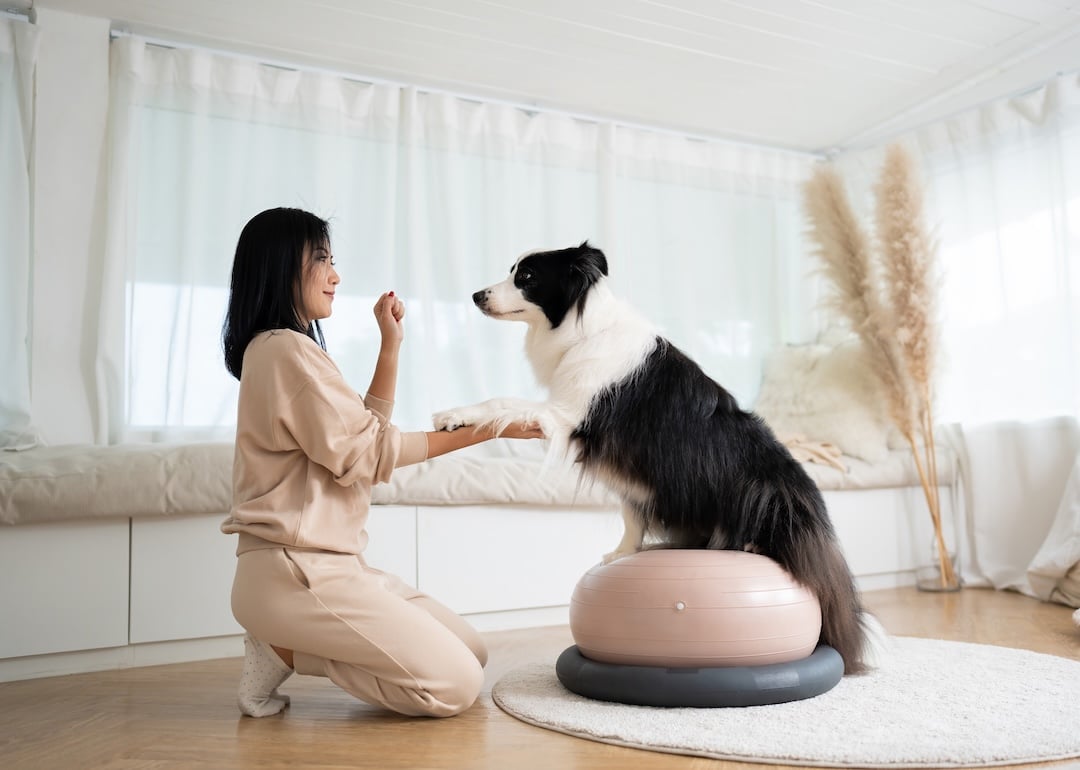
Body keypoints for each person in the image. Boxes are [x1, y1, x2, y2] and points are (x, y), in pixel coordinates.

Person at [219, 207, 543, 719]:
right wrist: (491, 425)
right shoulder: (283, 351)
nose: (335, 275)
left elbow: (360, 440)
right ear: (283, 266)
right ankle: (282, 648)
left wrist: (390, 346)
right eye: (321, 260)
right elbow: (372, 454)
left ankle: (284, 643)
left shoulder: (291, 351)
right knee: (454, 686)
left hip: (336, 567)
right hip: (294, 572)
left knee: (472, 654)